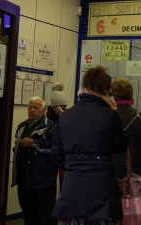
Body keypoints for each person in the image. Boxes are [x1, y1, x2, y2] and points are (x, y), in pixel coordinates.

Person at [51, 66, 127, 225]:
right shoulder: (109, 115)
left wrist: (73, 166)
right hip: (102, 189)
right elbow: (120, 145)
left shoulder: (65, 116)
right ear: (105, 89)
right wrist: (114, 113)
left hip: (72, 189)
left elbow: (56, 154)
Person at [11, 96, 57, 225]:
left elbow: (54, 147)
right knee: (28, 213)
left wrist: (34, 143)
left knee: (44, 216)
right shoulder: (21, 126)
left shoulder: (50, 126)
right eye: (30, 107)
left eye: (36, 107)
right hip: (24, 180)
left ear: (43, 110)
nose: (32, 110)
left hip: (42, 180)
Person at [110, 78, 141, 207]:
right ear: (131, 95)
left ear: (113, 94)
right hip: (136, 175)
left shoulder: (107, 116)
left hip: (111, 174)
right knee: (135, 214)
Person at [46, 82, 68, 190]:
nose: (63, 110)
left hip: (63, 163)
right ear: (54, 107)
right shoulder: (47, 121)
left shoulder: (67, 118)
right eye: (61, 108)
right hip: (50, 161)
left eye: (65, 108)